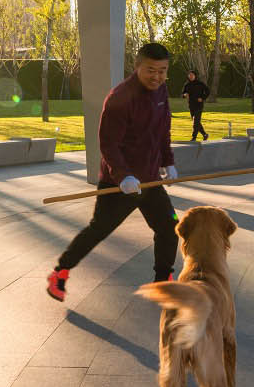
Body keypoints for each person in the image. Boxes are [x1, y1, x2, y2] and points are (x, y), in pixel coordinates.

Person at [47, 42, 179, 302]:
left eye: (162, 71)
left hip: (150, 182)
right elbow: (108, 143)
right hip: (120, 184)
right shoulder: (120, 97)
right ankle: (60, 272)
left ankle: (163, 280)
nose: (157, 76)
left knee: (169, 227)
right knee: (99, 229)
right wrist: (123, 176)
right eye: (151, 70)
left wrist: (168, 162)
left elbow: (163, 131)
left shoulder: (161, 92)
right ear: (138, 66)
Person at [182, 70, 211, 141]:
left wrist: (202, 98)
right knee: (197, 122)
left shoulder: (200, 84)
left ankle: (194, 137)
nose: (190, 76)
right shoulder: (187, 85)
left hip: (199, 105)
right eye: (189, 75)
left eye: (192, 75)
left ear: (195, 76)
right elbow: (183, 94)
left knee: (196, 122)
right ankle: (205, 134)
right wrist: (184, 95)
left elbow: (207, 91)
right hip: (191, 105)